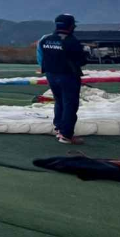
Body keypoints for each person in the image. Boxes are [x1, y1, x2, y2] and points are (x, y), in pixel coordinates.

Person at [40, 13, 88, 145]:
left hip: (51, 75)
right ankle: (66, 135)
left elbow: (43, 58)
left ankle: (59, 128)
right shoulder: (72, 41)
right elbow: (82, 61)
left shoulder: (46, 40)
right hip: (67, 76)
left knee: (59, 101)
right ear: (70, 26)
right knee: (70, 104)